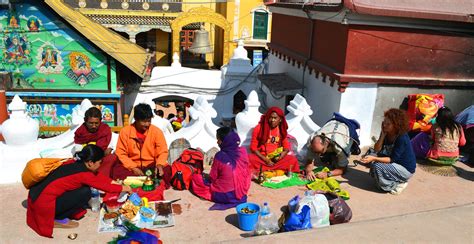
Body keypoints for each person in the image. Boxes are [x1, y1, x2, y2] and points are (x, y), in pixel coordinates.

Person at [26, 145, 132, 238]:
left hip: (35, 197)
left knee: (83, 189)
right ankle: (57, 218)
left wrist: (113, 182)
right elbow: (105, 186)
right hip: (44, 206)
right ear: (90, 162)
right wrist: (125, 188)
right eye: (100, 162)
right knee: (85, 192)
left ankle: (59, 211)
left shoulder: (74, 162)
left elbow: (98, 177)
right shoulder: (84, 175)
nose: (101, 165)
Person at [191, 127, 251, 210]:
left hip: (224, 195)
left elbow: (213, 177)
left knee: (196, 178)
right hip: (241, 192)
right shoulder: (243, 151)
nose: (217, 142)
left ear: (225, 141)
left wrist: (205, 177)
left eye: (219, 140)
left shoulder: (220, 156)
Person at [360, 108, 416, 195]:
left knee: (377, 166)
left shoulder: (402, 137)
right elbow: (376, 149)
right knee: (373, 163)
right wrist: (382, 135)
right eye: (384, 123)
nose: (384, 125)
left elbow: (392, 159)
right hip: (393, 165)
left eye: (388, 124)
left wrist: (374, 158)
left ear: (396, 125)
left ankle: (398, 184)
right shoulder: (386, 131)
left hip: (405, 169)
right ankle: (390, 181)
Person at [111, 104, 170, 182]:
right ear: (136, 119)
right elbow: (121, 153)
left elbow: (163, 151)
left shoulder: (156, 132)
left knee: (167, 171)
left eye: (149, 121)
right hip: (131, 166)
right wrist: (133, 167)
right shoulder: (125, 132)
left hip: (152, 165)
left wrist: (159, 165)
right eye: (144, 121)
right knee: (116, 171)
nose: (147, 124)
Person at [304, 113, 359, 180]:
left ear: (326, 143)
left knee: (336, 164)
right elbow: (309, 160)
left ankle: (332, 155)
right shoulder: (312, 140)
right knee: (325, 159)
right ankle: (329, 155)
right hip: (332, 123)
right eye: (316, 152)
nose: (317, 155)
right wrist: (309, 171)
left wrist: (328, 174)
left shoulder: (340, 146)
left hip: (346, 127)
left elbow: (343, 169)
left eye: (320, 151)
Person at [249, 107, 299, 175]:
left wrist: (281, 156)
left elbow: (286, 147)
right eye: (271, 117)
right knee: (249, 158)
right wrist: (265, 159)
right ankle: (275, 170)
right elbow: (253, 147)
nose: (272, 120)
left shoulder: (281, 130)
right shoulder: (259, 128)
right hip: (262, 158)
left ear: (280, 119)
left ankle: (265, 170)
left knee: (292, 160)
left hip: (276, 159)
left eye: (275, 118)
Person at [74, 107, 115, 177]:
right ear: (85, 121)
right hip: (86, 158)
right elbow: (78, 147)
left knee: (111, 158)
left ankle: (102, 178)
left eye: (96, 123)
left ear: (100, 121)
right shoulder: (80, 131)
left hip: (102, 156)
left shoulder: (105, 129)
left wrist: (109, 149)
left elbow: (109, 144)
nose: (94, 126)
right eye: (90, 123)